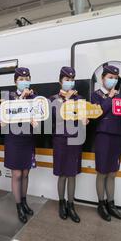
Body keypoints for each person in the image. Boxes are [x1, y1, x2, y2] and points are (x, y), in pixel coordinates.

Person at [91, 64, 121, 222]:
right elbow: (97, 114)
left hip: (117, 136)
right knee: (102, 172)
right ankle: (101, 204)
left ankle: (111, 204)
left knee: (112, 173)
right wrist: (110, 97)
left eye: (115, 78)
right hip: (103, 136)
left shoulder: (119, 97)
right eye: (110, 77)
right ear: (103, 78)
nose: (113, 80)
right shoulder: (95, 95)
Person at [49, 67, 88, 223]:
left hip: (75, 139)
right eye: (66, 80)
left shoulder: (80, 99)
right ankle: (61, 203)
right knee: (62, 174)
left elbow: (84, 117)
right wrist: (66, 100)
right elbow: (56, 117)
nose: (69, 82)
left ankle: (71, 205)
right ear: (60, 81)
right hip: (59, 140)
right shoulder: (52, 99)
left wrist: (85, 120)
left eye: (72, 80)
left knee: (72, 173)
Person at [3, 67, 38, 223]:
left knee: (25, 173)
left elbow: (41, 115)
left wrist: (36, 120)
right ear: (15, 81)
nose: (24, 82)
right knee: (16, 174)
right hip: (13, 139)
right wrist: (22, 98)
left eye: (27, 79)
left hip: (28, 139)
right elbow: (5, 117)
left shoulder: (35, 97)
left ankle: (24, 202)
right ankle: (18, 206)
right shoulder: (8, 97)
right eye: (21, 79)